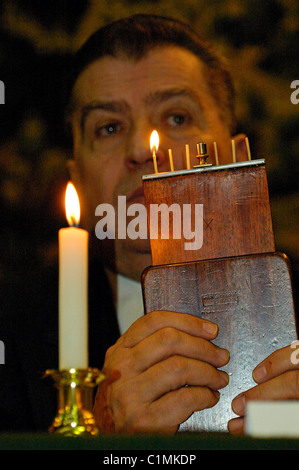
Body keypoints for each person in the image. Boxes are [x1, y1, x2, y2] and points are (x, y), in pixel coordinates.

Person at [0, 14, 298, 435]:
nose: (143, 149)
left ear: (235, 153)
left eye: (177, 117)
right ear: (77, 178)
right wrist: (102, 439)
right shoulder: (10, 335)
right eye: (108, 127)